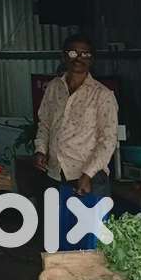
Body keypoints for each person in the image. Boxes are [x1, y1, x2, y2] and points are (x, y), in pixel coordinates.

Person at [34, 34, 118, 197]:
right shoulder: (53, 87)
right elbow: (44, 124)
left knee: (90, 223)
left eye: (84, 54)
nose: (78, 58)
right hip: (55, 174)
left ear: (91, 59)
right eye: (73, 53)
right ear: (63, 56)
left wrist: (87, 175)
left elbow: (108, 141)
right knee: (56, 222)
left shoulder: (103, 95)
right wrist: (40, 150)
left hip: (88, 177)